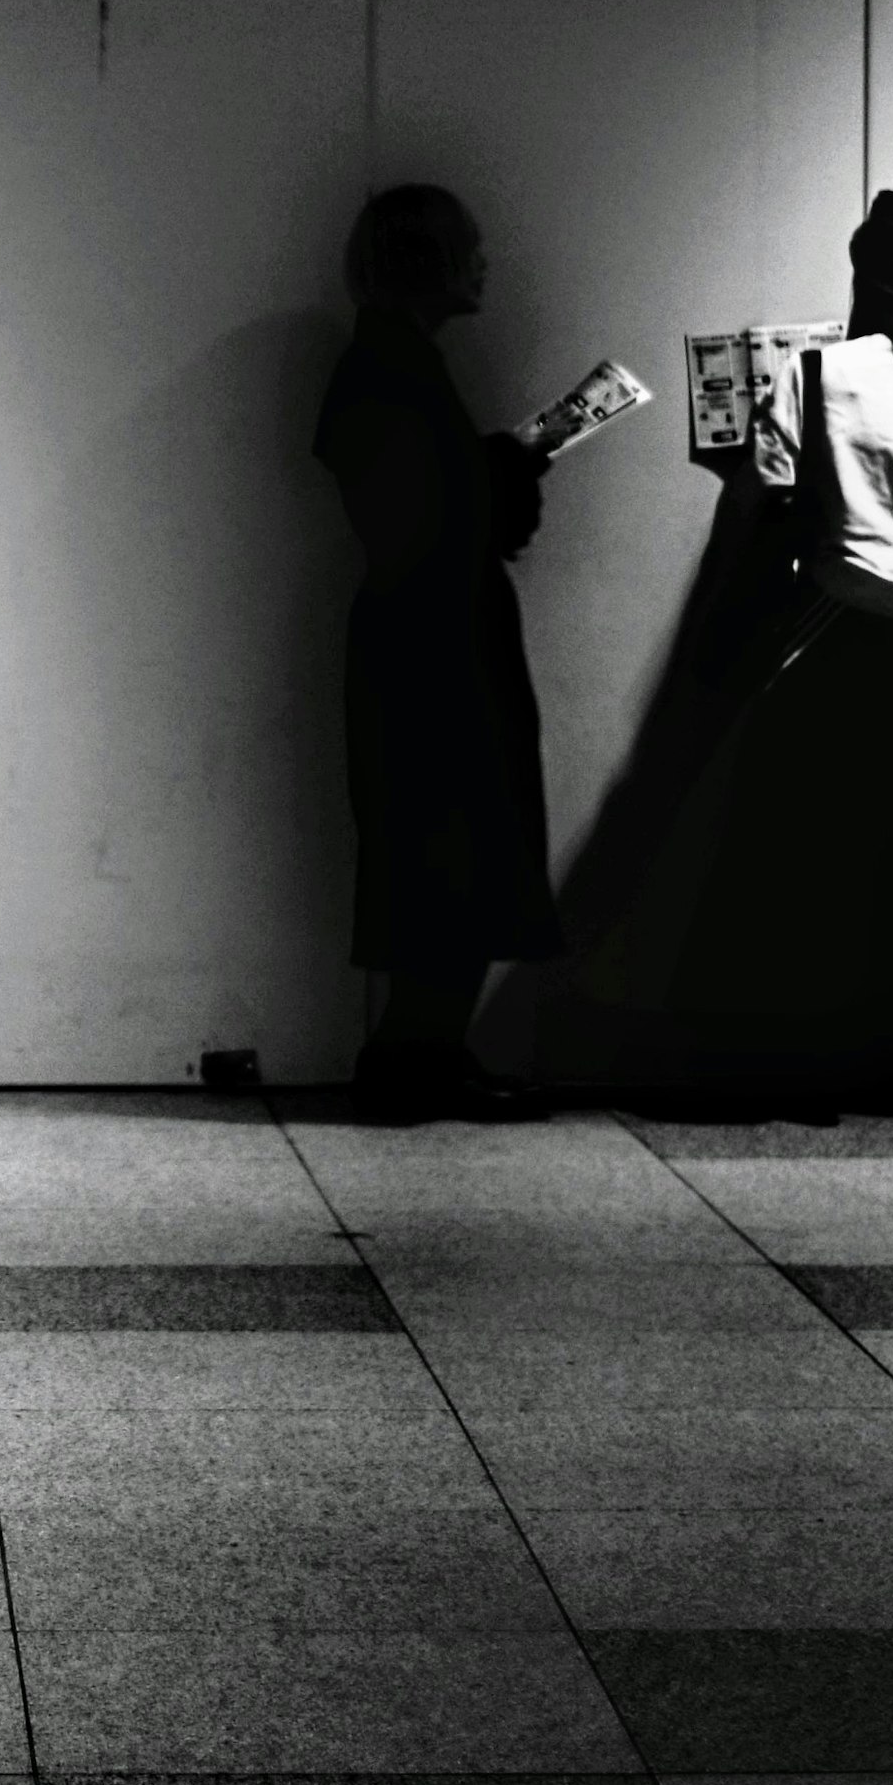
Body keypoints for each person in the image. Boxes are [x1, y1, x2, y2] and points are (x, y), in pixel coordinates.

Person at [580, 189, 893, 1105]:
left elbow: (763, 509)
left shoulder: (814, 377)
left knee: (801, 852)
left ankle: (786, 1058)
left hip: (834, 636)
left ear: (868, 278)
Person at [313, 185, 557, 1114]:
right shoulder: (389, 370)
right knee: (454, 840)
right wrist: (503, 475)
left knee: (445, 844)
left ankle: (420, 1053)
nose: (486, 264)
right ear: (429, 263)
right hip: (436, 649)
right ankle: (414, 1057)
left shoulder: (388, 366)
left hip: (425, 639)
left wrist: (492, 467)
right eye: (471, 249)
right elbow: (423, 518)